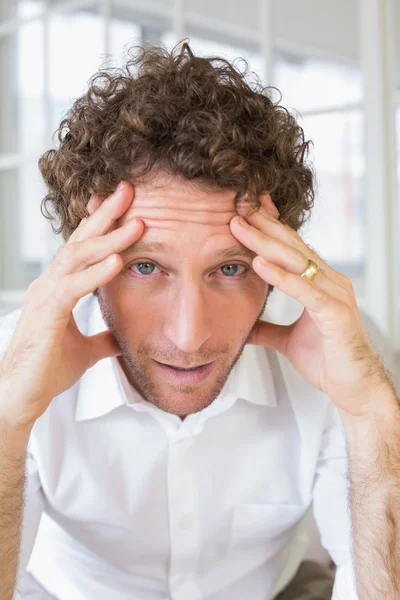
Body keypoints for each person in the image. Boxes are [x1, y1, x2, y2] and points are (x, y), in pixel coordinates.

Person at [0, 42, 399, 600]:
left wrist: (374, 414)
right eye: (146, 266)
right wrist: (8, 419)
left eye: (230, 268)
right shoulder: (11, 354)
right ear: (87, 257)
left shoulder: (338, 346)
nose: (189, 336)